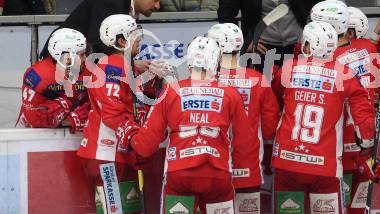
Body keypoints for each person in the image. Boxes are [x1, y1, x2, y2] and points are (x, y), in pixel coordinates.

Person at [115, 36, 260, 214]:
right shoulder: (231, 94)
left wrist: (131, 136)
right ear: (216, 62)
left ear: (189, 63)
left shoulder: (170, 91)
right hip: (218, 176)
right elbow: (245, 144)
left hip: (180, 174)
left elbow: (146, 146)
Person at [271, 20, 375, 214]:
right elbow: (364, 115)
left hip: (287, 162)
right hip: (324, 166)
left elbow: (274, 97)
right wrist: (367, 144)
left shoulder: (288, 69)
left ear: (308, 44)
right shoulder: (344, 74)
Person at [311, 1, 380, 213]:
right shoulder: (369, 48)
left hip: (336, 151)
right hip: (366, 148)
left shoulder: (324, 61)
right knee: (359, 208)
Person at [77, 14, 150, 213]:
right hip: (106, 153)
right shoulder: (110, 67)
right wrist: (138, 137)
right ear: (121, 41)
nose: (140, 38)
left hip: (118, 154)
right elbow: (112, 112)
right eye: (135, 34)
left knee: (130, 210)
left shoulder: (122, 66)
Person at [207, 23, 280, 214]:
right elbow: (270, 130)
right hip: (248, 166)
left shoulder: (203, 81)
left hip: (212, 166)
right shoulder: (258, 79)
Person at [40, 0, 166, 69]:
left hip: (75, 63)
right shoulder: (112, 3)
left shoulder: (123, 4)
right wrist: (130, 65)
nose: (157, 6)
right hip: (59, 61)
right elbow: (98, 45)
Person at [16, 28, 89, 134]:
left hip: (74, 135)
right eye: (81, 55)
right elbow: (33, 117)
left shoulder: (88, 71)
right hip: (33, 134)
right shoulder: (37, 76)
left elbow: (95, 106)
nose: (85, 59)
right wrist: (71, 119)